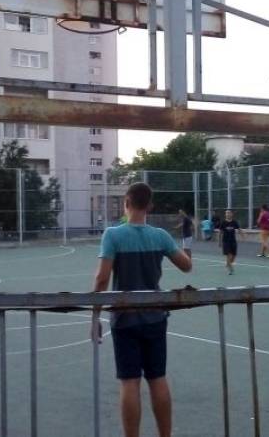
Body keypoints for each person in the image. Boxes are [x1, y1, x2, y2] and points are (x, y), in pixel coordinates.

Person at [91, 182, 192, 437]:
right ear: (150, 206)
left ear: (126, 203)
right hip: (155, 317)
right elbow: (186, 266)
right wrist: (186, 242)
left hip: (125, 318)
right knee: (157, 378)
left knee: (129, 381)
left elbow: (102, 279)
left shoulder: (113, 235)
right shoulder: (160, 236)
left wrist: (95, 316)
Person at [218, 209, 244, 275]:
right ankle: (230, 269)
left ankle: (228, 264)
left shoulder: (234, 222)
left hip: (233, 241)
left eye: (229, 213)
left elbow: (239, 229)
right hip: (226, 241)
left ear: (232, 214)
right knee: (228, 255)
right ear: (225, 215)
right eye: (226, 213)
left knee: (234, 255)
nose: (227, 214)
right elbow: (220, 232)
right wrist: (219, 242)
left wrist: (243, 236)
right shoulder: (223, 222)